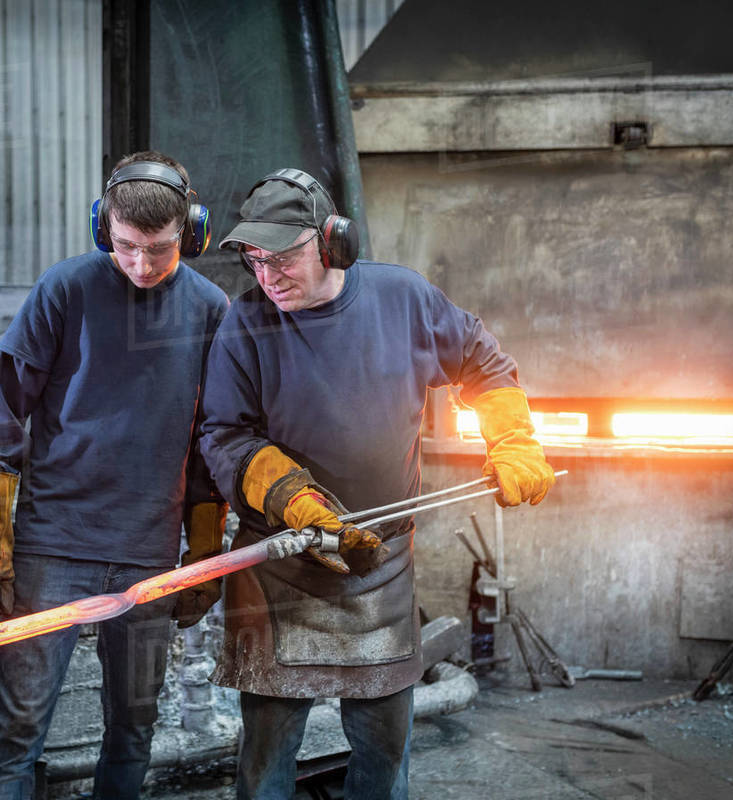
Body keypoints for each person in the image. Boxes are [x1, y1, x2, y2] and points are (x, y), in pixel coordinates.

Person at [199, 168, 555, 799]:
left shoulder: (404, 300)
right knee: (266, 758)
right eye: (254, 260)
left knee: (384, 750)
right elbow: (224, 435)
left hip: (381, 563)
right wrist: (294, 500)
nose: (266, 276)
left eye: (282, 258)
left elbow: (482, 363)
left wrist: (512, 439)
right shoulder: (245, 323)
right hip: (285, 562)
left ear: (333, 243)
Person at [0, 151, 230, 800]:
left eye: (159, 250)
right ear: (102, 227)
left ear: (193, 234)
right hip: (55, 548)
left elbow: (211, 443)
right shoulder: (66, 289)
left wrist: (206, 549)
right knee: (18, 728)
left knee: (134, 728)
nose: (140, 264)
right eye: (127, 246)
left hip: (151, 559)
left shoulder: (211, 309)